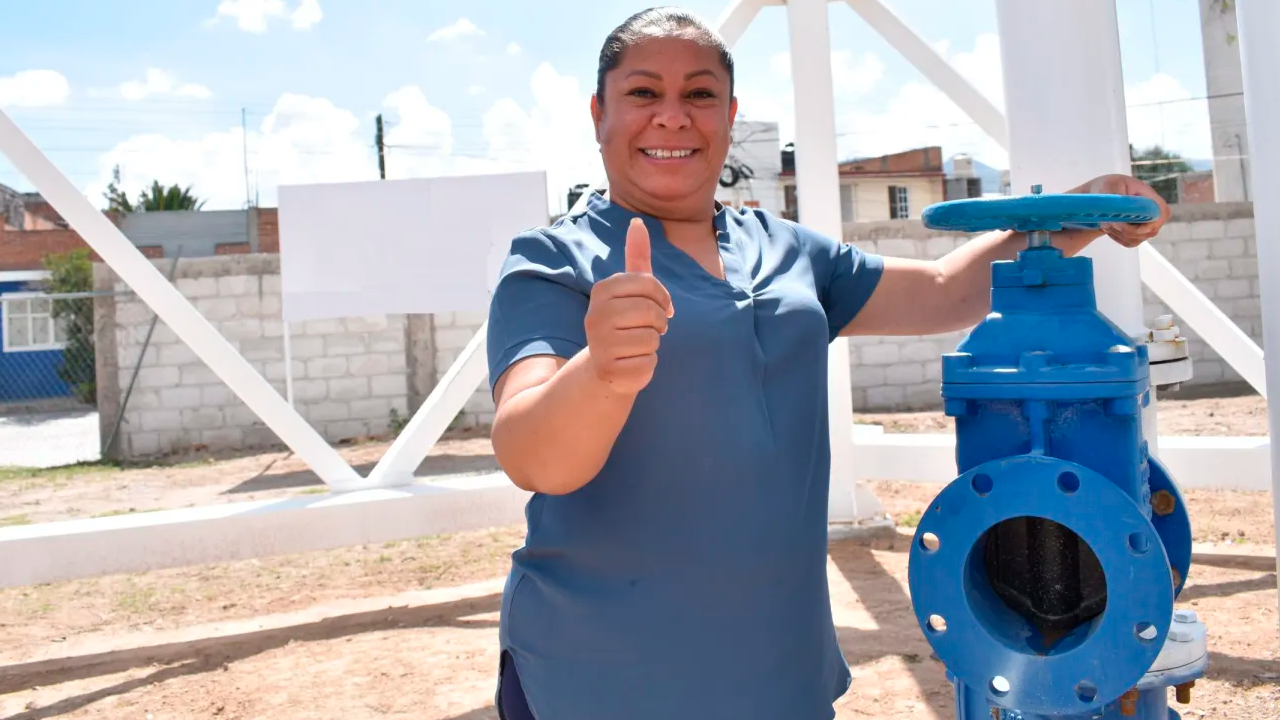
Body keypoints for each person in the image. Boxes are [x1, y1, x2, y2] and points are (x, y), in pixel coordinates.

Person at [484, 7, 1170, 720]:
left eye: (698, 94)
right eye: (642, 93)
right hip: (596, 682)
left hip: (778, 680)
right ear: (598, 114)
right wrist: (601, 371)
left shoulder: (786, 251)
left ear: (729, 113)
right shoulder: (554, 264)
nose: (672, 117)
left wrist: (1080, 218)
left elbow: (942, 292)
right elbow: (535, 457)